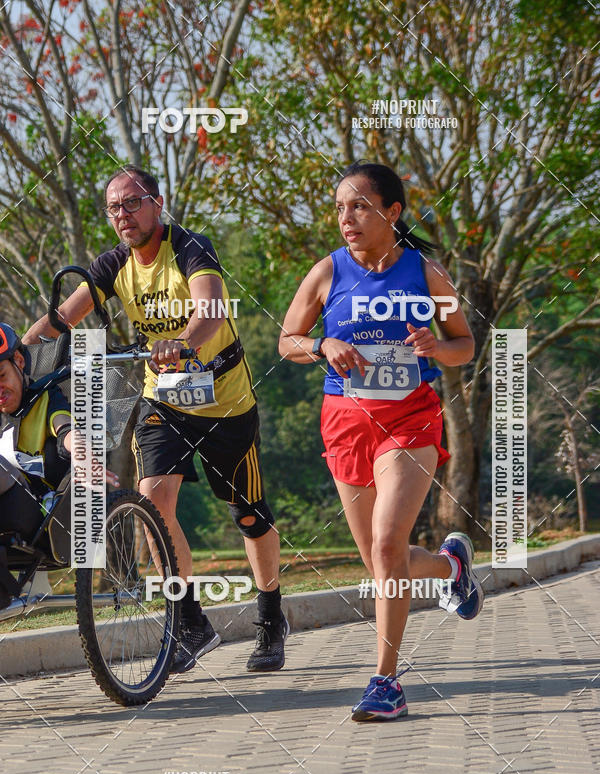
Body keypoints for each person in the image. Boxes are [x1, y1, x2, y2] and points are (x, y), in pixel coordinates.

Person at [23, 165, 288, 673]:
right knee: (152, 502)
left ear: (157, 204)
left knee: (249, 516)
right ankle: (191, 622)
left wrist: (182, 344)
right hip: (162, 402)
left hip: (224, 403)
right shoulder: (112, 265)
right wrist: (16, 351)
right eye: (114, 207)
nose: (123, 215)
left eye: (132, 203)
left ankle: (271, 620)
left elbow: (210, 312)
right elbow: (60, 321)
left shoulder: (191, 248)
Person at [279, 161, 483, 722]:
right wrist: (322, 346)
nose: (346, 218)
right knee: (379, 562)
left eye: (360, 206)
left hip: (410, 419)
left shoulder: (428, 274)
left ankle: (386, 681)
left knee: (389, 546)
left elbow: (464, 343)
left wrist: (436, 348)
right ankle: (450, 569)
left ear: (392, 212)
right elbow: (285, 341)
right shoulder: (326, 273)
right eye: (341, 207)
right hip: (345, 420)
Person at [0, 322, 119, 607]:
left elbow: (66, 429)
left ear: (19, 361)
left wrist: (81, 451)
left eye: (1, 376)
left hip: (35, 513)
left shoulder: (46, 399)